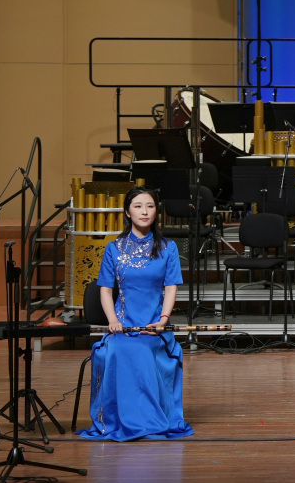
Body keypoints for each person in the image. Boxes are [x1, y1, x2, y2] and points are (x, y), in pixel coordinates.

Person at [78, 187, 193, 441]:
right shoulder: (114, 248)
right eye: (138, 206)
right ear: (128, 212)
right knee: (120, 349)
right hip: (122, 325)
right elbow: (105, 290)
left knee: (142, 349)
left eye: (150, 206)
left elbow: (171, 288)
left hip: (155, 326)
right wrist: (112, 320)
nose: (144, 211)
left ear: (156, 211)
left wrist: (163, 321)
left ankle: (148, 421)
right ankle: (119, 420)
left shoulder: (168, 248)